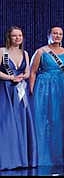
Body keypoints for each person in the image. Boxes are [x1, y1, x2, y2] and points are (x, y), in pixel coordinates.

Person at [29, 26, 64, 166]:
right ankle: (42, 157)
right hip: (44, 88)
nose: (57, 36)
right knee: (44, 120)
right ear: (49, 35)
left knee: (60, 121)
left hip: (61, 88)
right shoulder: (41, 52)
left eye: (60, 34)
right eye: (55, 33)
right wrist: (32, 90)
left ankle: (61, 156)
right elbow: (33, 72)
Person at [0, 26, 37, 170]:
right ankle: (8, 160)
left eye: (20, 36)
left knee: (21, 122)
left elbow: (27, 71)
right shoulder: (3, 51)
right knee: (6, 124)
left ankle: (21, 160)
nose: (18, 38)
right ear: (9, 37)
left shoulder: (25, 53)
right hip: (5, 90)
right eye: (15, 36)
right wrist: (10, 77)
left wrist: (22, 76)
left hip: (20, 90)